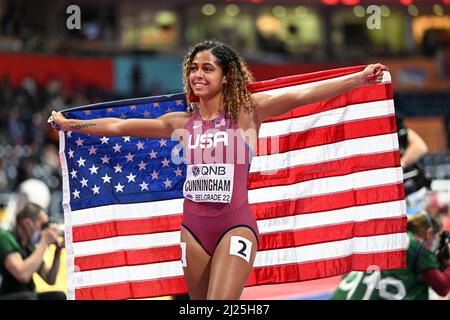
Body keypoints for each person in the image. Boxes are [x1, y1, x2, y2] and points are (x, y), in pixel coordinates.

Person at [50, 39, 386, 300]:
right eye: (194, 68)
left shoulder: (247, 114)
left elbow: (304, 95)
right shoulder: (179, 122)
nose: (198, 74)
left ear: (226, 76)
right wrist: (71, 125)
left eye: (208, 68)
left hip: (235, 227)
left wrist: (356, 79)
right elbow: (119, 127)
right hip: (192, 231)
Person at [330, 211, 450, 300]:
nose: (439, 242)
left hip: (344, 294)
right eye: (439, 236)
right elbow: (442, 287)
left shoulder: (390, 235)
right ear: (429, 233)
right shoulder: (417, 248)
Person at [0, 202, 66, 300]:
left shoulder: (29, 246)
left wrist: (57, 252)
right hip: (8, 295)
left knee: (59, 296)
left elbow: (50, 279)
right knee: (29, 297)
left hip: (26, 295)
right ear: (28, 224)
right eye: (43, 226)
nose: (45, 230)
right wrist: (44, 243)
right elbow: (23, 275)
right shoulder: (5, 237)